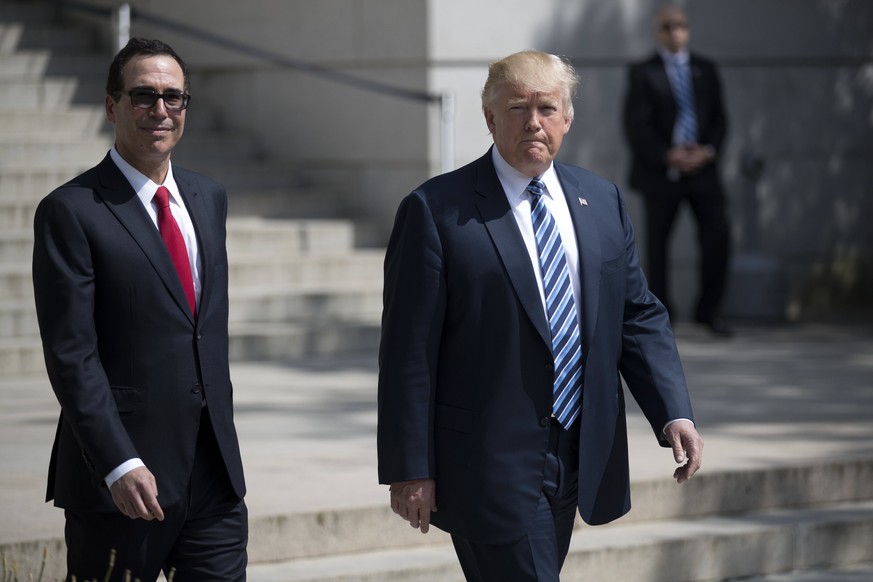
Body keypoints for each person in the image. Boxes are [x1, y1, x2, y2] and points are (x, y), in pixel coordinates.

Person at [377, 50, 703, 581]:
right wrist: (409, 466)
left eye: (547, 108)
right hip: (487, 460)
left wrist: (674, 412)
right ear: (489, 118)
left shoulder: (601, 199)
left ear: (568, 118)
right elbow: (408, 350)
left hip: (579, 452)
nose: (534, 121)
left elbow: (637, 315)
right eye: (517, 108)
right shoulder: (436, 210)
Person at [32, 38, 247, 581]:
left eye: (174, 97)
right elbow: (71, 355)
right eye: (144, 96)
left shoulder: (208, 197)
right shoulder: (71, 210)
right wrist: (117, 462)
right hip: (123, 482)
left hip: (213, 473)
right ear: (111, 106)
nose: (160, 111)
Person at [623, 4, 732, 335]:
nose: (675, 32)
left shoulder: (706, 68)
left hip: (703, 172)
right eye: (668, 26)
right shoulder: (642, 72)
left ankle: (708, 312)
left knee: (718, 239)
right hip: (661, 174)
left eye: (680, 25)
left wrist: (707, 151)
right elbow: (635, 125)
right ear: (658, 32)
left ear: (688, 29)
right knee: (658, 247)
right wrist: (667, 155)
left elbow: (719, 119)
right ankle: (662, 317)